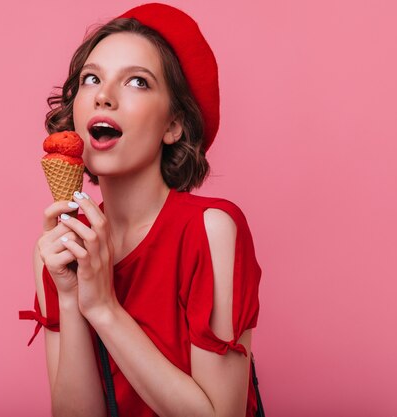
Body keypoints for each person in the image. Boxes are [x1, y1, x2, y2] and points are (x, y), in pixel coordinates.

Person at [19, 3, 262, 416]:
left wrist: (103, 308)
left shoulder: (211, 229)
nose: (103, 96)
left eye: (137, 82)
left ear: (174, 125)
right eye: (91, 78)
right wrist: (72, 296)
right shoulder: (58, 250)